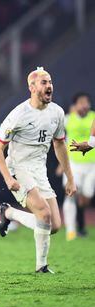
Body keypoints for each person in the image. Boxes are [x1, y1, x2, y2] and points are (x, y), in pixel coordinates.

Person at [0, 67, 76, 273]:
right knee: (44, 214)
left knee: (54, 225)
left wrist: (70, 178)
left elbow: (59, 145)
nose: (49, 86)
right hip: (18, 169)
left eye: (50, 82)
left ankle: (9, 213)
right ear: (32, 87)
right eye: (44, 82)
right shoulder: (18, 115)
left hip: (39, 171)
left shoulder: (57, 112)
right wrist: (7, 178)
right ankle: (42, 266)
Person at [60, 93, 95, 240]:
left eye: (86, 102)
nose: (84, 105)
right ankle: (71, 230)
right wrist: (61, 163)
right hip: (73, 164)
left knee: (86, 198)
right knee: (70, 194)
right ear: (75, 105)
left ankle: (79, 225)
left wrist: (88, 146)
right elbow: (60, 141)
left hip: (92, 165)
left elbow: (92, 141)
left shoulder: (93, 117)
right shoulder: (67, 119)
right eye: (81, 102)